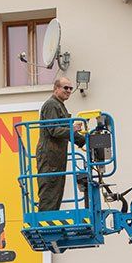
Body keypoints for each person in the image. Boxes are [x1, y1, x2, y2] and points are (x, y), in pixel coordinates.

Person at [36, 76, 86, 213]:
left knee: (56, 193)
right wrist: (73, 129)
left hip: (56, 158)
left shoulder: (59, 105)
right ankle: (44, 223)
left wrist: (82, 140)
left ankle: (49, 220)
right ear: (56, 88)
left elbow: (64, 130)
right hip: (50, 158)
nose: (69, 90)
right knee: (50, 193)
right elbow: (54, 130)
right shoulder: (52, 104)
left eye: (70, 88)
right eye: (65, 87)